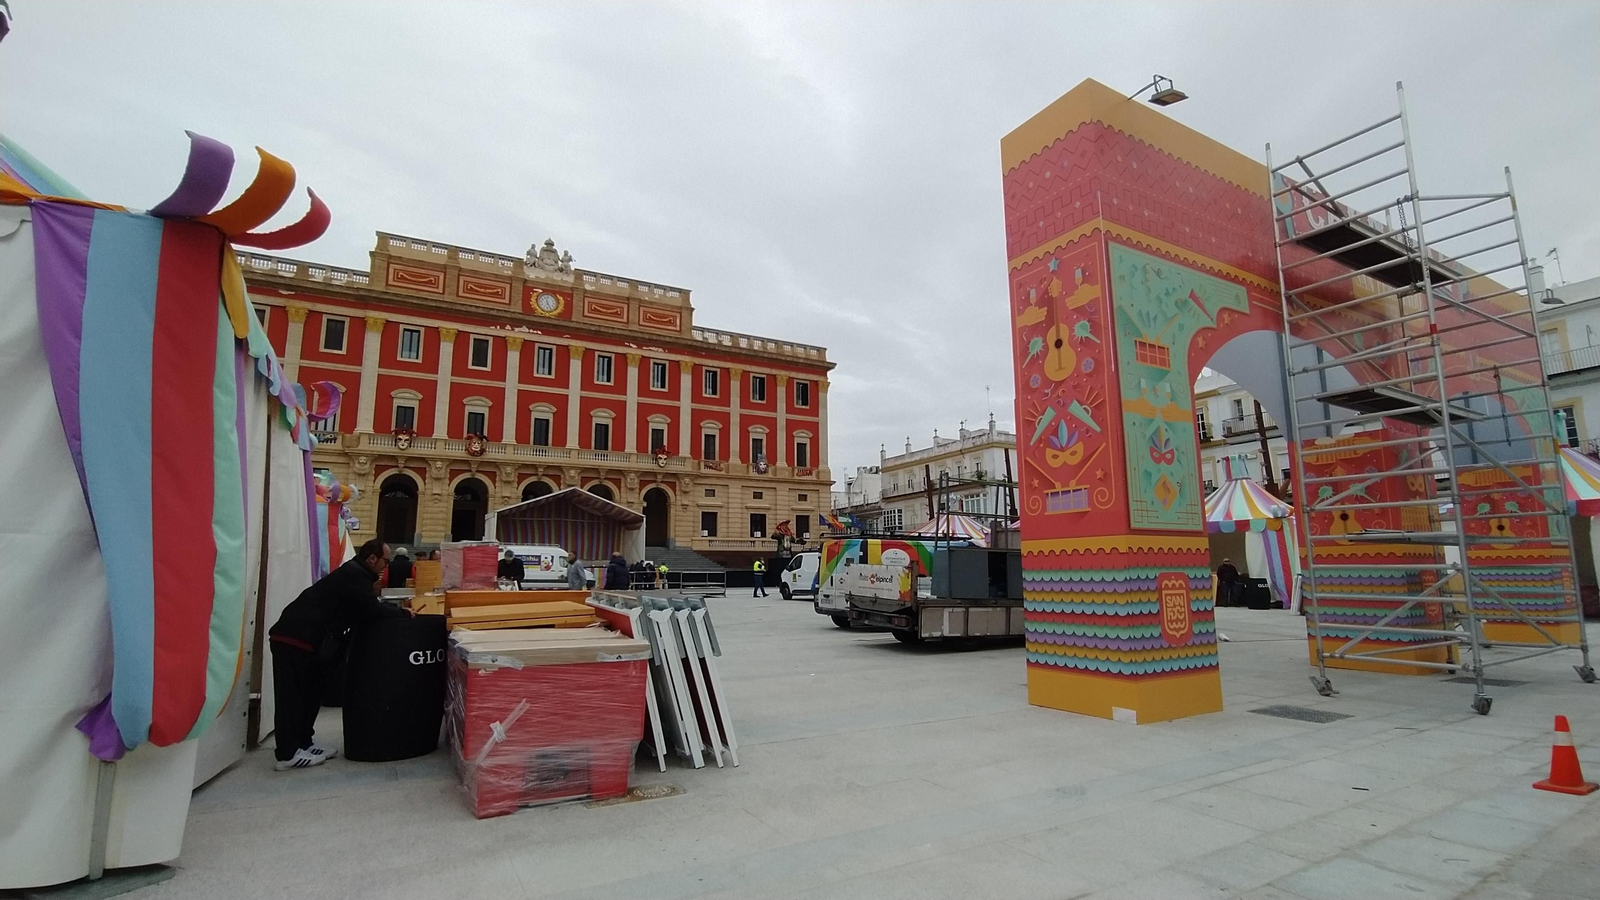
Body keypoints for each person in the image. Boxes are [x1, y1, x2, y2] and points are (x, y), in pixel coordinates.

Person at [268, 539, 411, 770]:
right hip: (294, 638)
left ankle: (304, 741)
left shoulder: (357, 574)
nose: (387, 565)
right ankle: (287, 753)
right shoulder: (355, 575)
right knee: (292, 698)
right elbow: (370, 609)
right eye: (385, 560)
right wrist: (403, 614)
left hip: (308, 641)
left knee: (311, 694)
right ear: (372, 559)